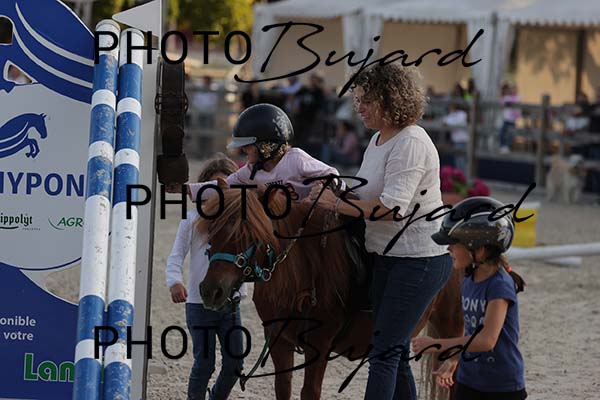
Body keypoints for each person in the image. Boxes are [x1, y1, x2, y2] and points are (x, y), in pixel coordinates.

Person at [308, 63, 453, 400]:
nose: (359, 107)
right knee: (395, 352)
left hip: (419, 259)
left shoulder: (411, 141)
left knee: (383, 352)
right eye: (357, 100)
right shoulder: (377, 140)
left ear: (391, 100)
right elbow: (367, 194)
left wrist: (336, 204)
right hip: (386, 254)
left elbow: (392, 208)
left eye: (367, 100)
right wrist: (335, 192)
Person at [411, 196, 527, 400]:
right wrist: (454, 359)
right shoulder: (468, 279)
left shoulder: (499, 285)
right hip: (469, 380)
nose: (448, 248)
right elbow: (472, 333)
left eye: (454, 244)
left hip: (501, 387)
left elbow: (486, 340)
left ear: (479, 250)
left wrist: (437, 345)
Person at [166, 154, 247, 400]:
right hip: (198, 305)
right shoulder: (192, 220)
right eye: (212, 188)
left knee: (235, 364)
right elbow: (176, 256)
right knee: (204, 364)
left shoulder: (240, 223)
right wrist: (175, 282)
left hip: (230, 305)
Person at [182, 103, 344, 203]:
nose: (243, 150)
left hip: (313, 219)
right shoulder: (250, 171)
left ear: (267, 145)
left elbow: (332, 175)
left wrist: (322, 187)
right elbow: (222, 185)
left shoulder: (296, 159)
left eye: (248, 146)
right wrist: (185, 189)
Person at [442, 102, 469, 172]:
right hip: (455, 141)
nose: (450, 108)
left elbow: (454, 123)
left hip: (462, 141)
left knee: (462, 162)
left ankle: (464, 177)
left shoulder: (462, 114)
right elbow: (444, 121)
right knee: (458, 161)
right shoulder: (451, 114)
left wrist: (447, 123)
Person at [499, 84, 521, 154]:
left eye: (514, 90)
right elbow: (502, 102)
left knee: (511, 134)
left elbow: (518, 106)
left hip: (512, 120)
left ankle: (507, 147)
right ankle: (503, 146)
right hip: (506, 119)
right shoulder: (507, 97)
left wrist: (517, 115)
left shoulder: (518, 98)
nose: (513, 91)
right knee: (502, 133)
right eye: (512, 89)